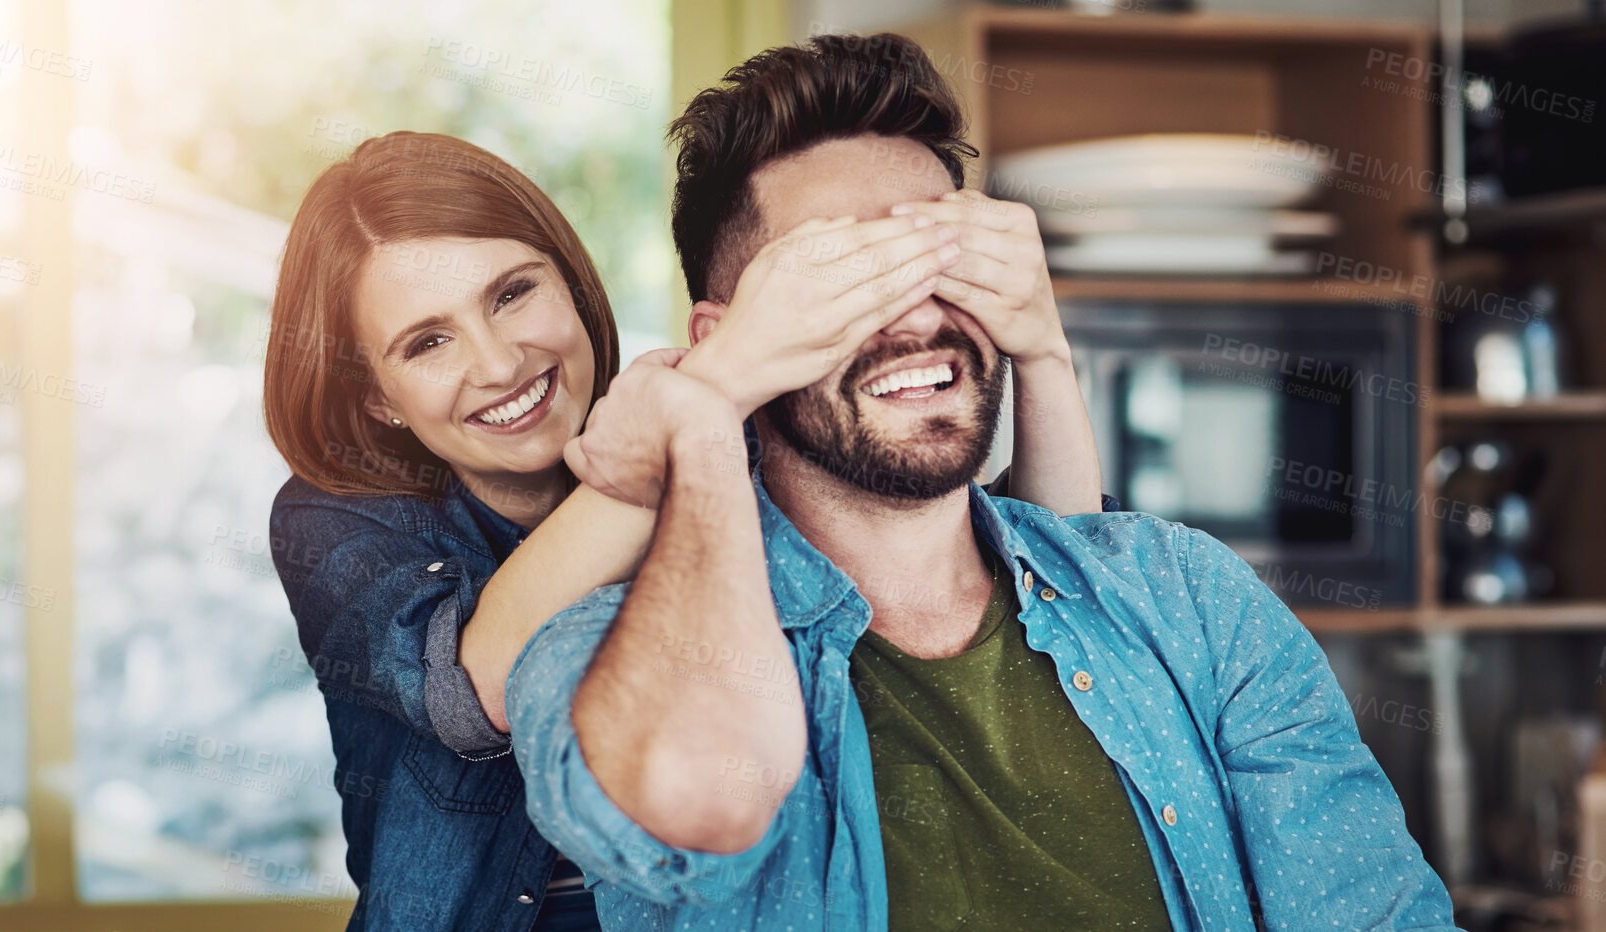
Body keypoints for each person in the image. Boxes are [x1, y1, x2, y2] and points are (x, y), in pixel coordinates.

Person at [504, 31, 1460, 931]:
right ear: (727, 339)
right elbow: (700, 797)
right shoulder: (600, 656)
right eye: (843, 276)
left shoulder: (1191, 601)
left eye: (939, 258)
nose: (915, 316)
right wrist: (703, 417)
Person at [262, 129, 1109, 930]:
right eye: (428, 342)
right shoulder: (333, 521)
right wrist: (712, 391)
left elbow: (1045, 571)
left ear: (570, 278)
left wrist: (1042, 348)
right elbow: (470, 693)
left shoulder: (708, 425)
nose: (497, 364)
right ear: (377, 395)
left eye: (513, 294)